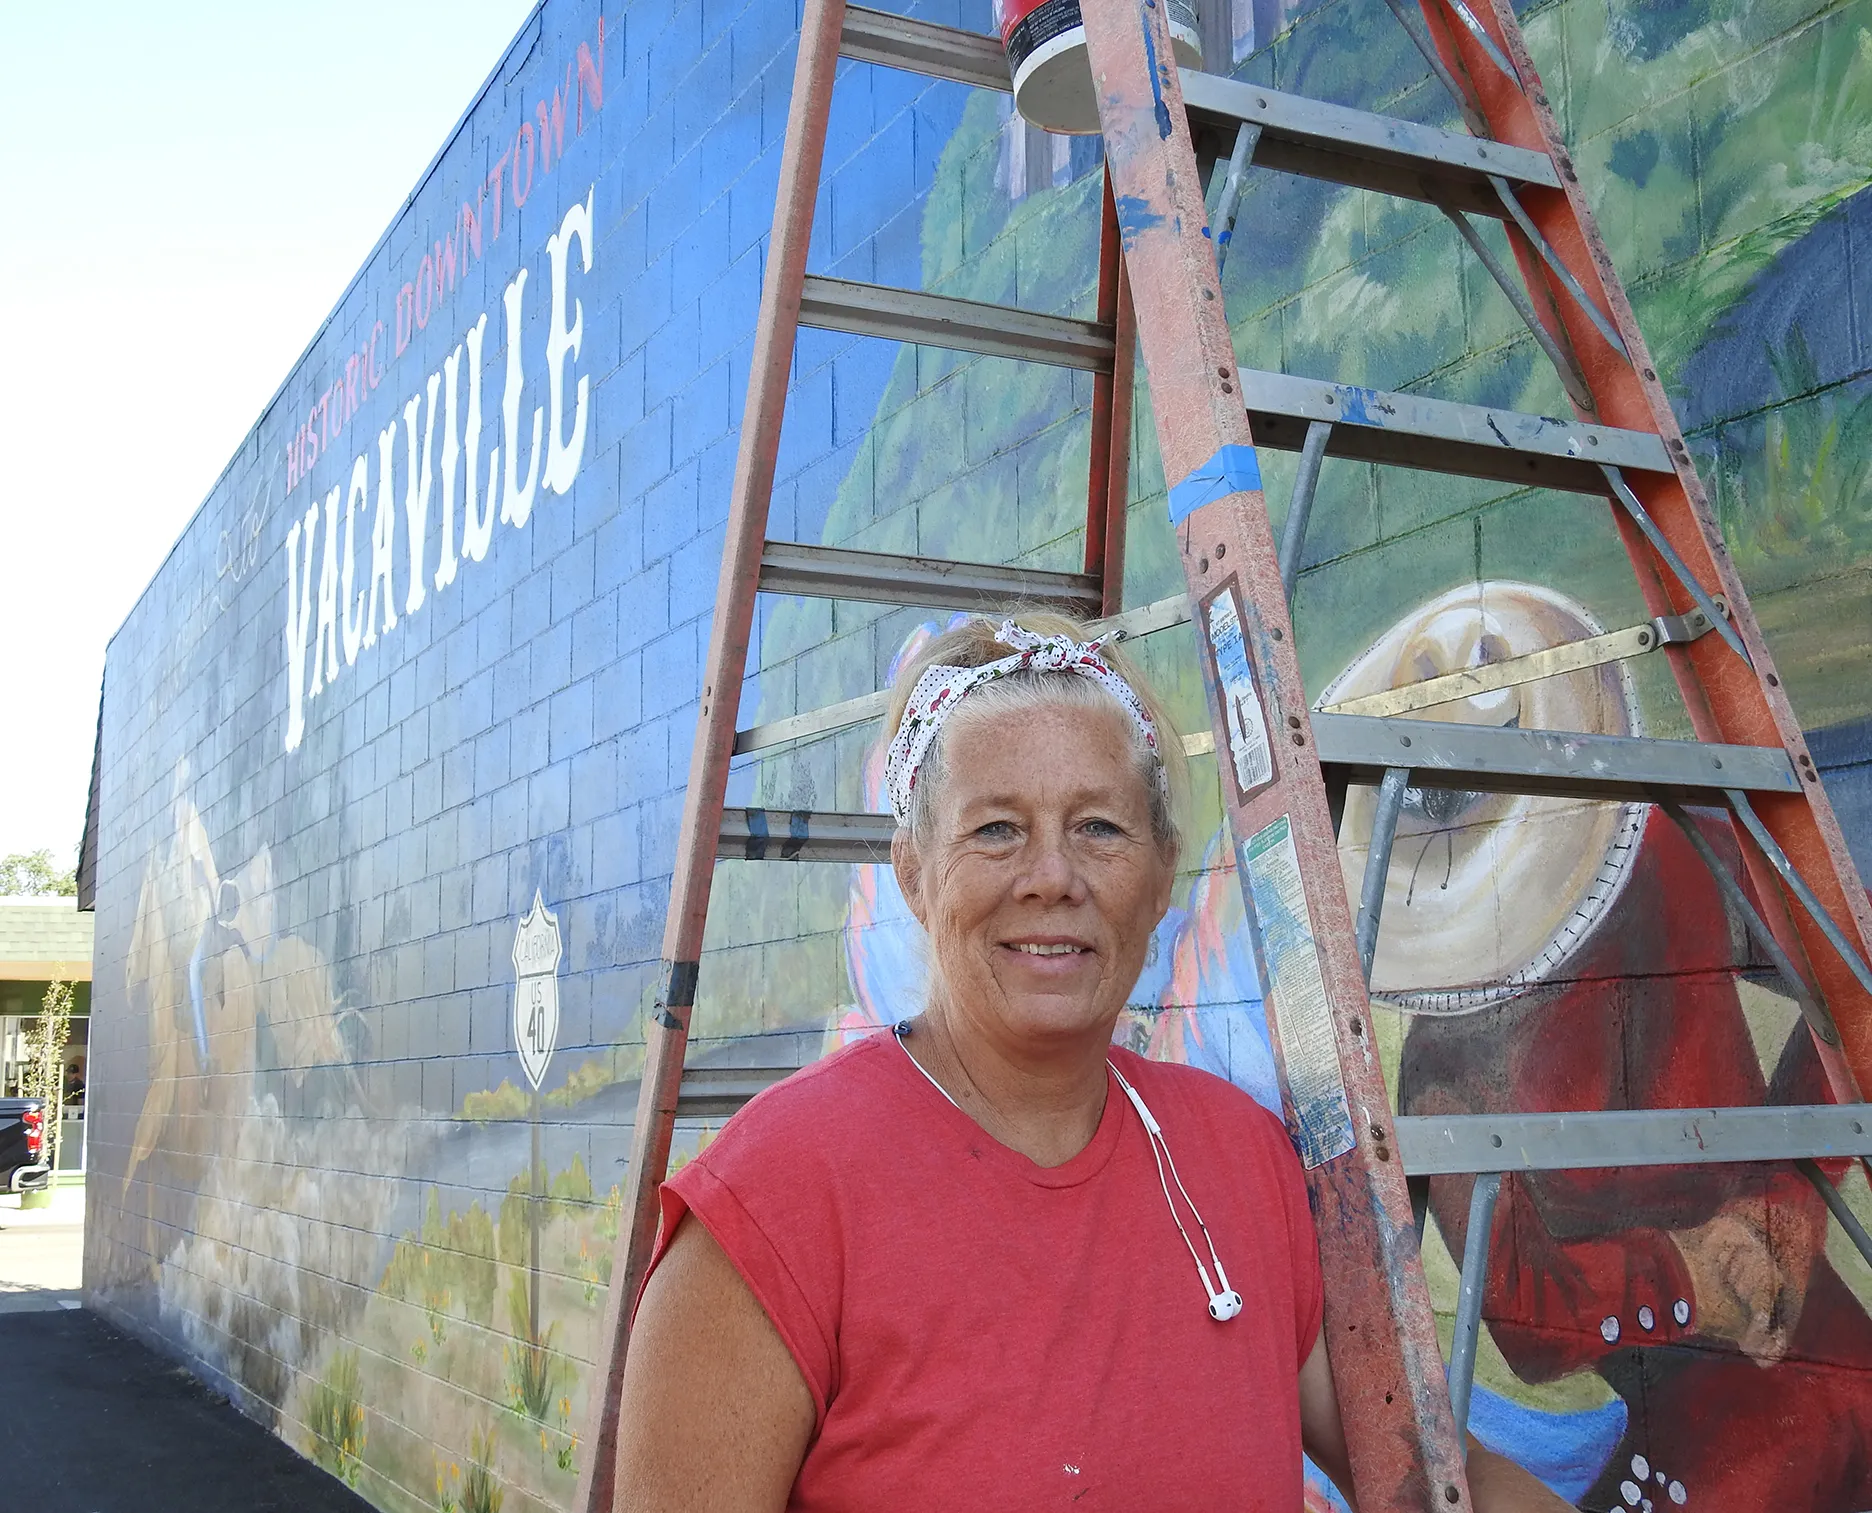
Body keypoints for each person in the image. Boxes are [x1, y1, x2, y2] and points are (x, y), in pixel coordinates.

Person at [615, 613, 1570, 1510]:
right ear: (912, 872)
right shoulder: (774, 1202)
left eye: (1099, 828)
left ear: (1160, 874)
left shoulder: (1241, 1162)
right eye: (996, 829)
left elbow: (1433, 1480)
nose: (1052, 877)